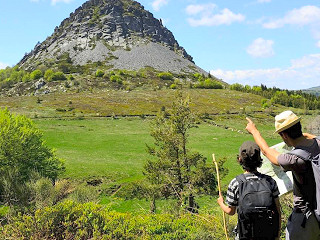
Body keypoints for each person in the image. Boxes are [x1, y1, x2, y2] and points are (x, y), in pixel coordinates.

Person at [245, 110, 320, 240]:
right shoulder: (318, 142)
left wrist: (254, 131)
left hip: (306, 217)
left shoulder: (293, 159)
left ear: (284, 135)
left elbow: (267, 151)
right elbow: (310, 137)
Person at [217, 141, 281, 240]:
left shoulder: (236, 183)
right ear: (260, 159)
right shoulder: (270, 181)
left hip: (245, 235)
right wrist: (277, 235)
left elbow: (231, 211)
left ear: (239, 159)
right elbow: (277, 210)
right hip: (268, 235)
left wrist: (221, 203)